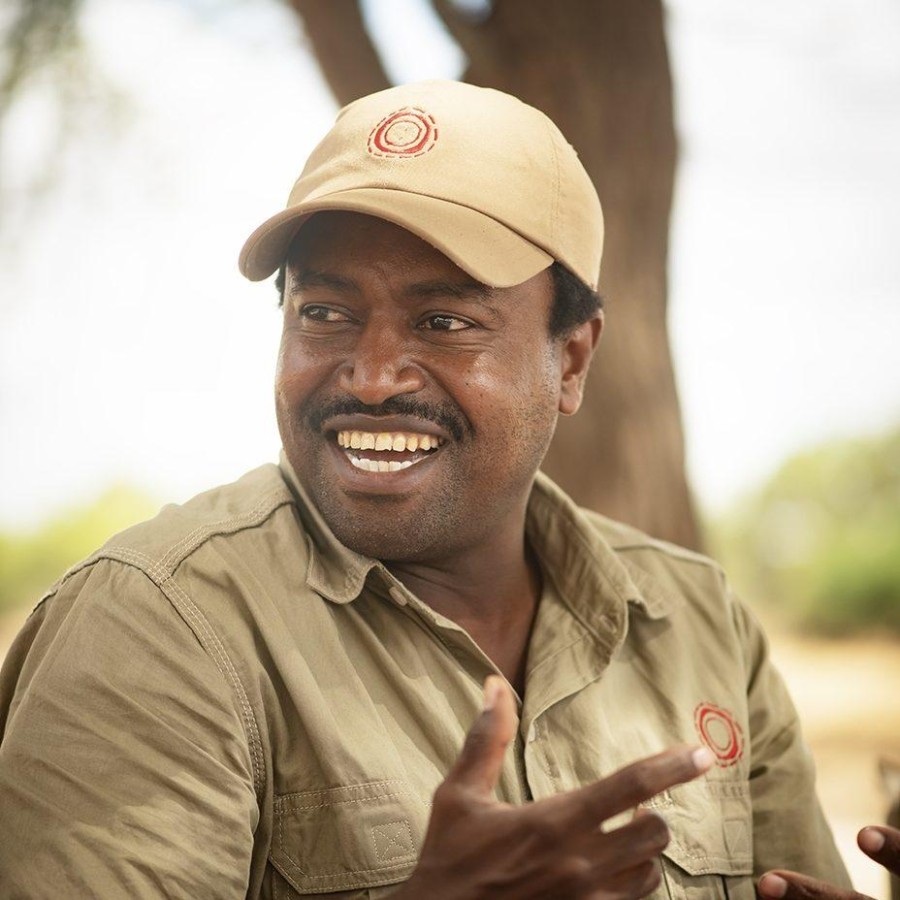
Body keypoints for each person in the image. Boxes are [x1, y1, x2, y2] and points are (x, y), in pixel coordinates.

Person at [0, 79, 890, 899]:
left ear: (571, 358)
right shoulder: (156, 628)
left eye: (444, 320)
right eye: (324, 312)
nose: (375, 374)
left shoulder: (698, 620)